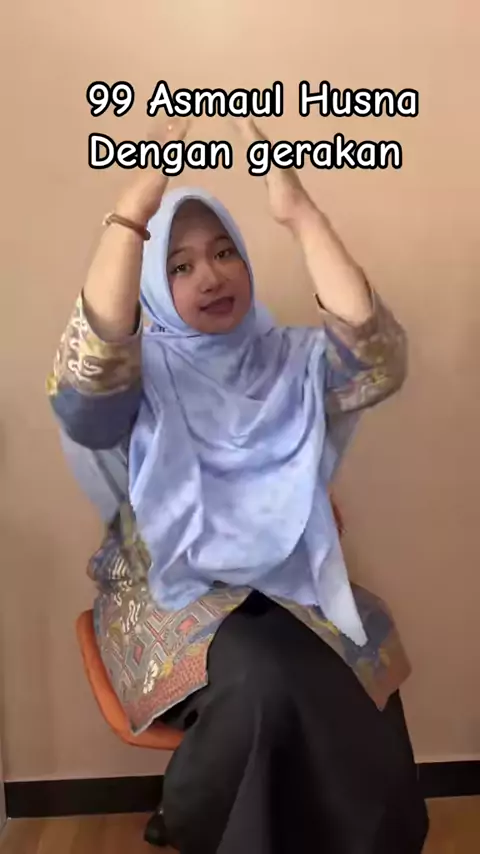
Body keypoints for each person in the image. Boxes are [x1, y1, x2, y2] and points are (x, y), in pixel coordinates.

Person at [47, 117, 429, 853]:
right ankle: (206, 822)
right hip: (162, 589)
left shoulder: (290, 360)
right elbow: (85, 385)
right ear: (152, 286)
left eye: (225, 252)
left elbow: (378, 360)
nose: (212, 275)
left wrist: (301, 214)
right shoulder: (135, 377)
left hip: (287, 581)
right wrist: (132, 213)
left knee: (355, 649)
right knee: (261, 675)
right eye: (180, 266)